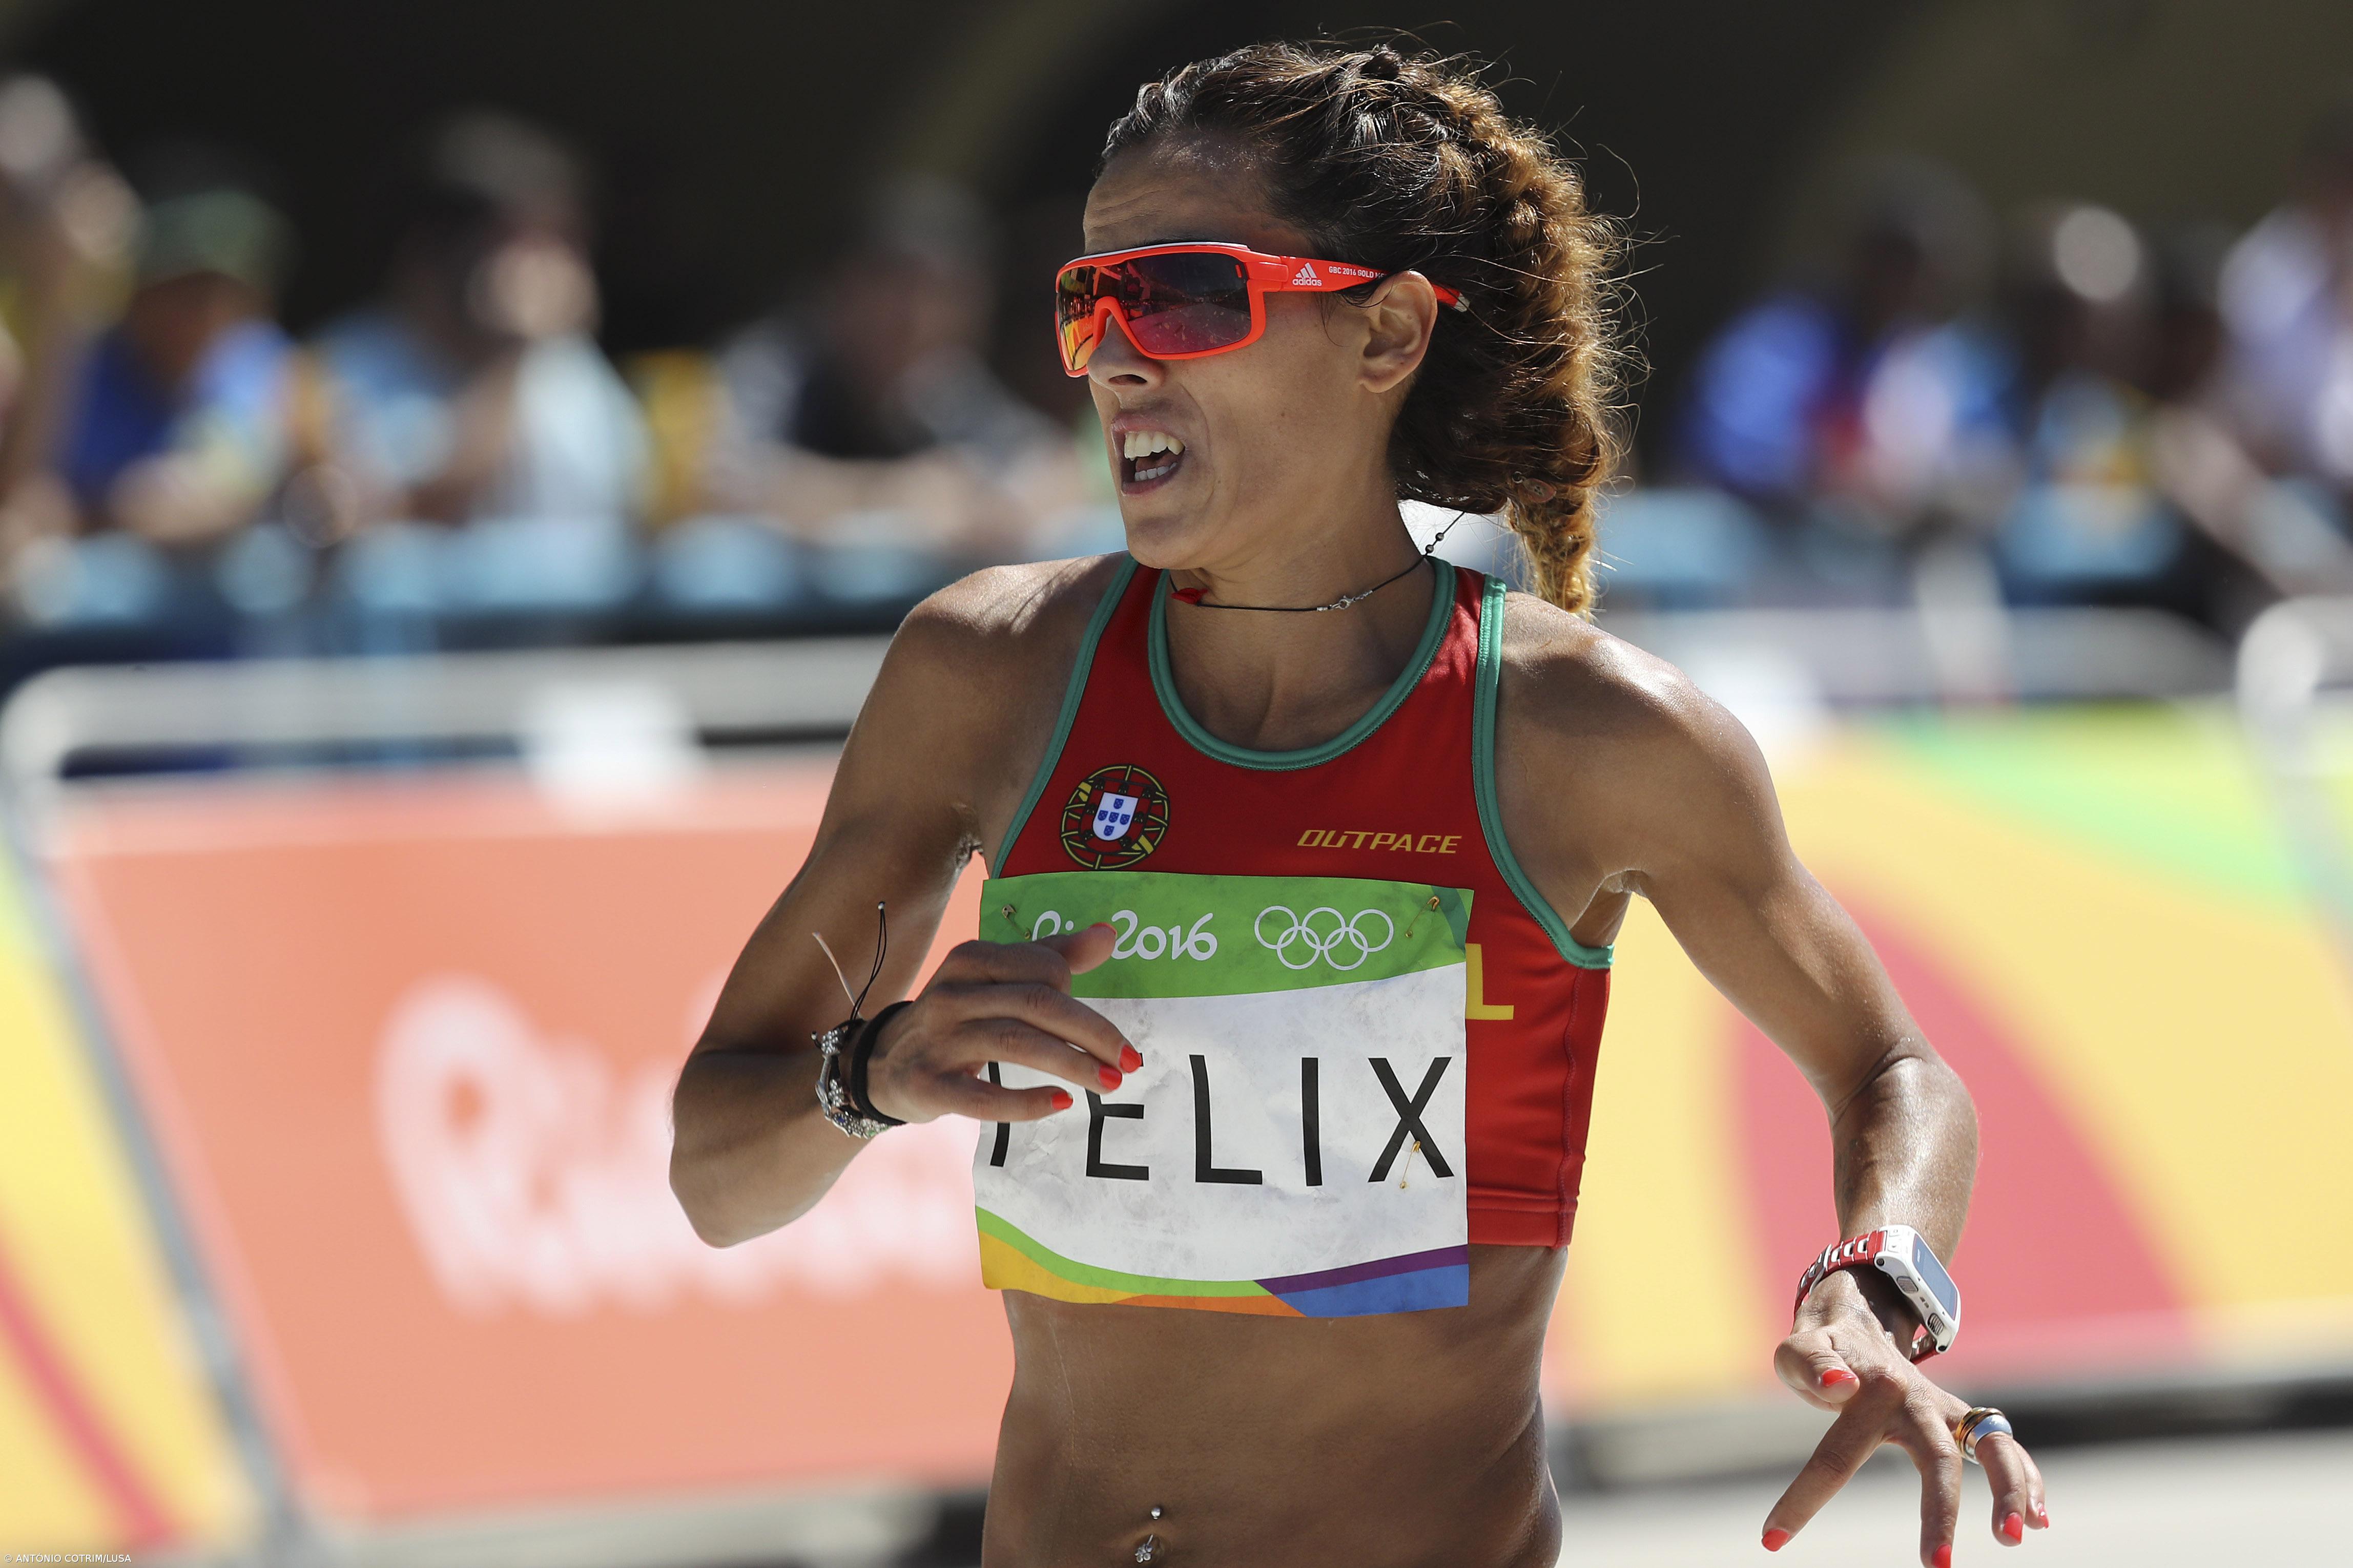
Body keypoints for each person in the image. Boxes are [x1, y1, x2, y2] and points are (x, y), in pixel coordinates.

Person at [670, 43, 2049, 1568]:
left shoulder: (1588, 734)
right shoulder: (986, 674)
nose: (1121, 357)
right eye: (1089, 303)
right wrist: (877, 1069)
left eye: (1186, 296)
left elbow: (1898, 1073)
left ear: (1385, 331)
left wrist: (1884, 1275)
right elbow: (716, 1174)